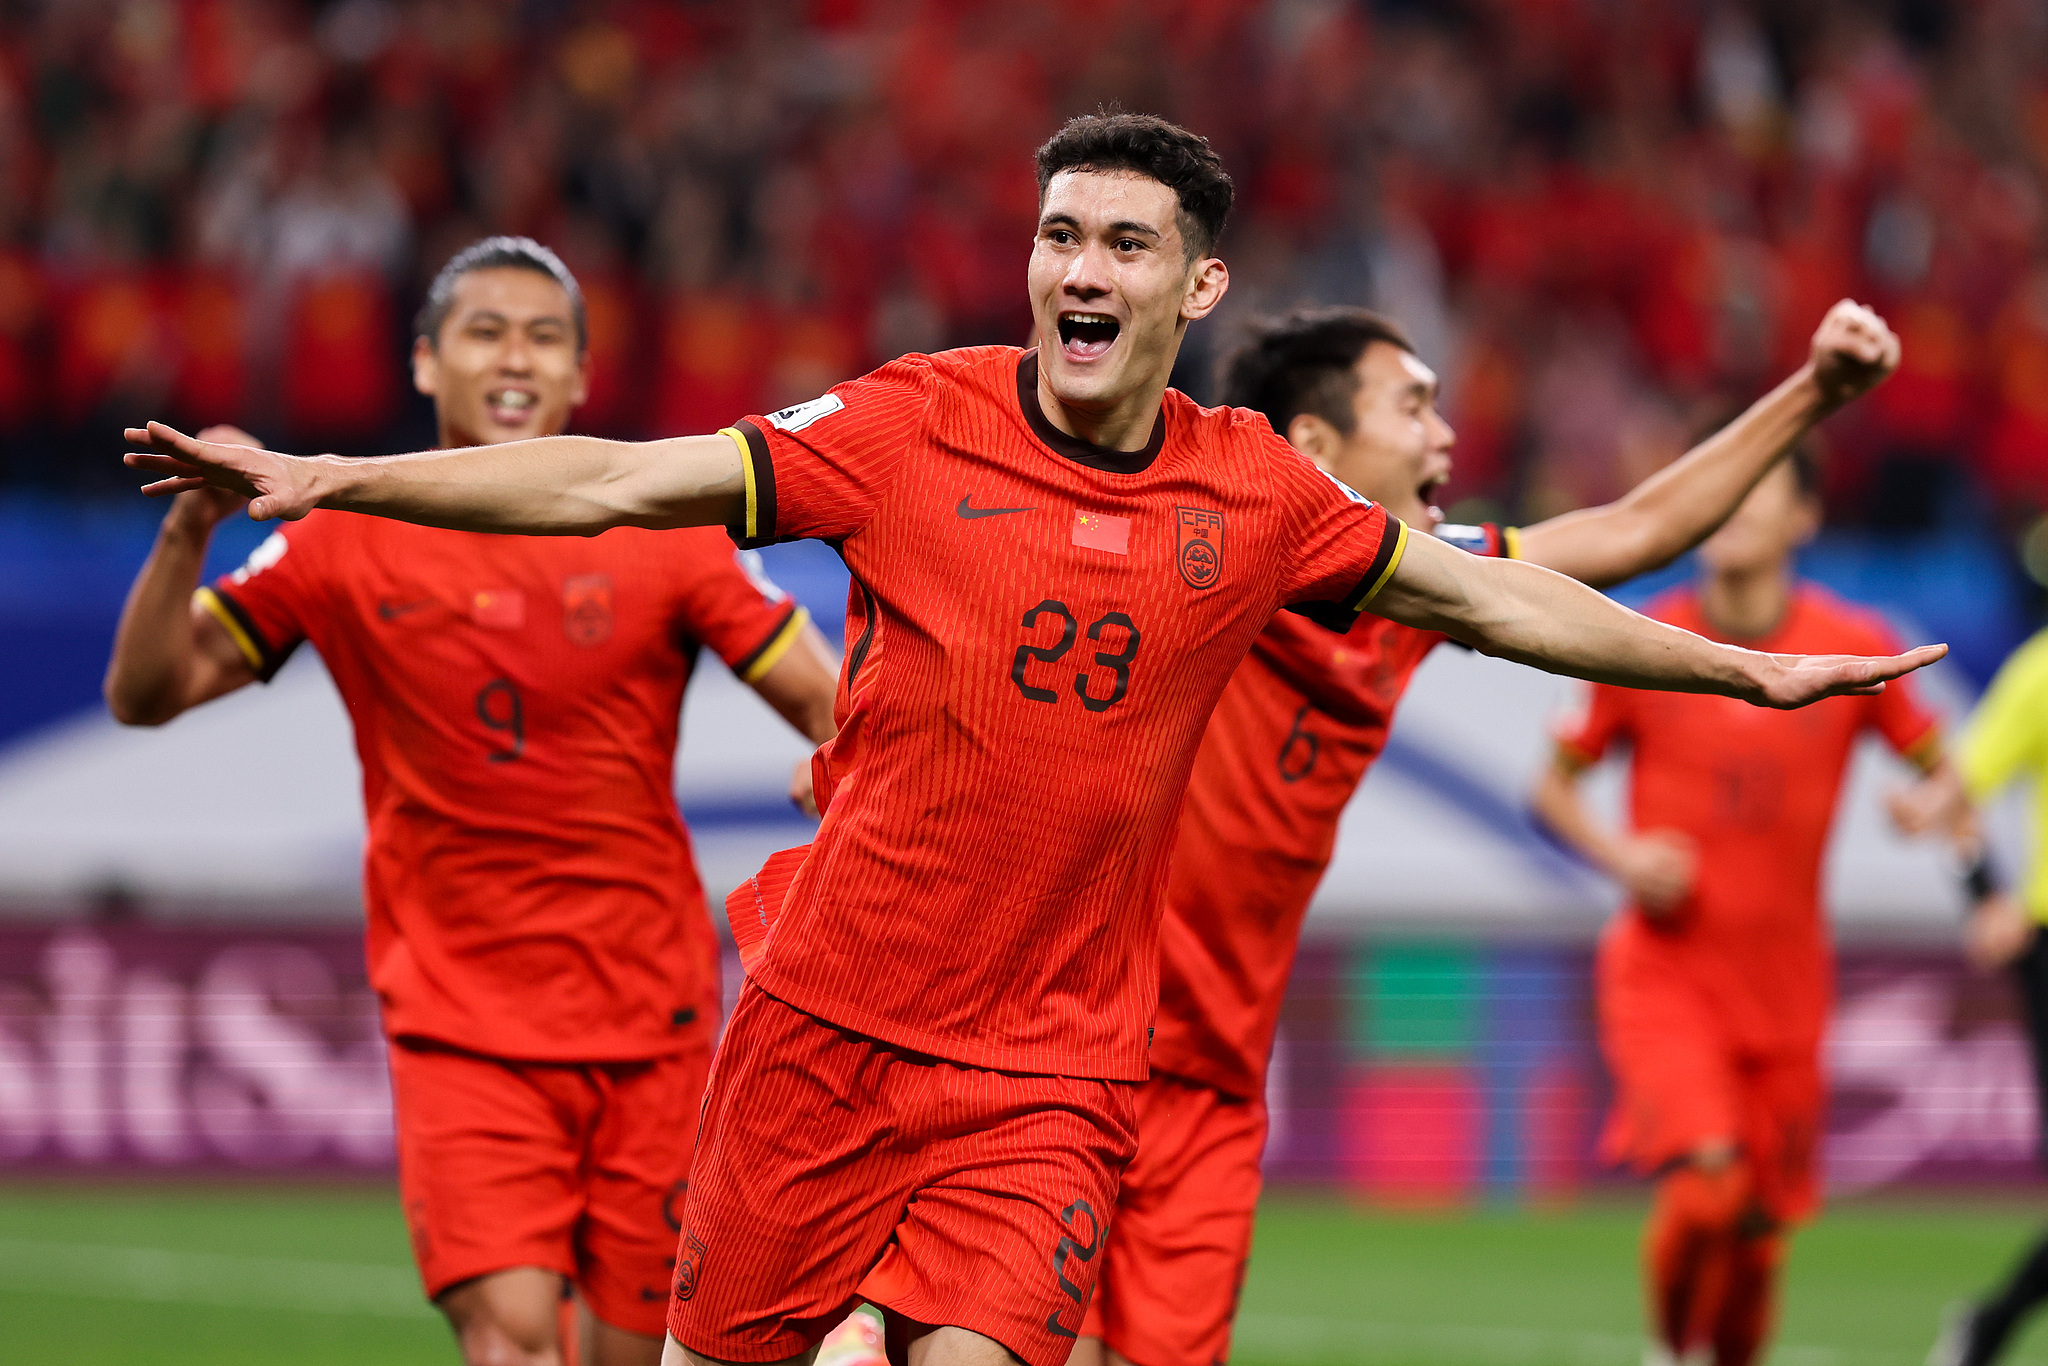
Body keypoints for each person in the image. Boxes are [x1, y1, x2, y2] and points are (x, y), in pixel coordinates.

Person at [123, 113, 1942, 1366]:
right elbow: (613, 476)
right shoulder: (906, 429)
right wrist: (331, 474)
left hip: (1073, 1064)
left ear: (1191, 292)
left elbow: (1513, 595)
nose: (1080, 265)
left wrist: (1734, 671)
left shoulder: (1259, 508)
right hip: (826, 1025)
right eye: (1057, 233)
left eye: (1123, 242)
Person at [1070, 296, 1905, 1366]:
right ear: (1315, 444)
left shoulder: (1414, 589)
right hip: (1081, 1053)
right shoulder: (1198, 552)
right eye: (1411, 406)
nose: (1445, 434)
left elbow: (1633, 530)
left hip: (1218, 1090)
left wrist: (1815, 393)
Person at [104, 237, 840, 1366]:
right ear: (422, 362)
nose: (515, 358)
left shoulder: (666, 535)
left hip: (653, 1023)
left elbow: (833, 709)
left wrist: (842, 771)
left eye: (544, 337)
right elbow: (146, 693)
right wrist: (187, 529)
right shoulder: (340, 537)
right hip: (460, 1026)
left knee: (637, 1352)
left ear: (582, 378)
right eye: (485, 331)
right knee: (508, 1343)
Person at [1527, 452, 1967, 1366]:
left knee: (1760, 1235)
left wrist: (1928, 807)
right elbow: (1554, 790)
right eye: (1719, 493)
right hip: (1666, 972)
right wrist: (1623, 855)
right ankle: (1666, 1348)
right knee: (1709, 1191)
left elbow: (1947, 773)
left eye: (1755, 492)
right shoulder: (1644, 640)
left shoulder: (1847, 641)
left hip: (1786, 991)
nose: (1729, 511)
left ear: (1804, 519)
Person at [1898, 631, 2048, 1366]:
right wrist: (1984, 895)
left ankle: (1988, 1330)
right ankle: (1987, 1330)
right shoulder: (2041, 672)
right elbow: (1960, 786)